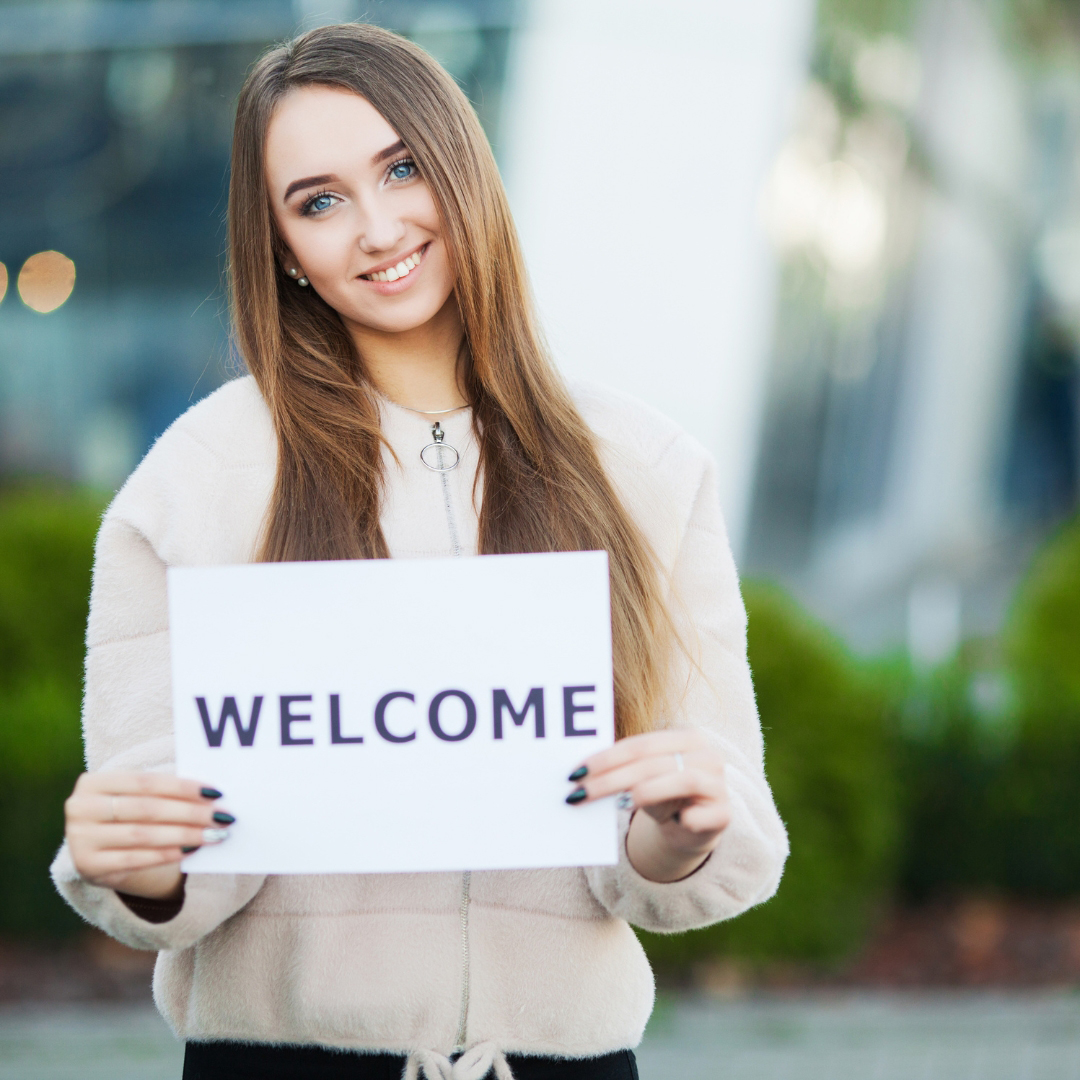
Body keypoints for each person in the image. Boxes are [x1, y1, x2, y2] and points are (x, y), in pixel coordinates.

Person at [52, 22, 788, 1080]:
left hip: (563, 1062)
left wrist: (674, 838)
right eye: (318, 201)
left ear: (462, 167)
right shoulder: (195, 481)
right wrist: (141, 862)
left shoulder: (649, 467)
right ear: (282, 251)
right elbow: (169, 869)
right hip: (281, 1059)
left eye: (402, 167)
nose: (376, 225)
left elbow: (719, 836)